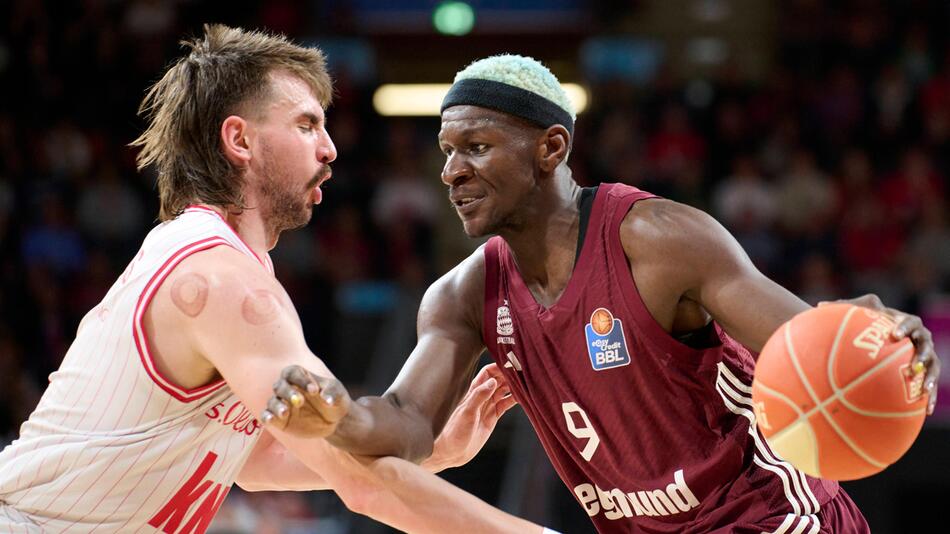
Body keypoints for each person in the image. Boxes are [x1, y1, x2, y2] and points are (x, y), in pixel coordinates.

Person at [269, 54, 941, 533]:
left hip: (770, 515)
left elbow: (804, 340)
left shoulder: (658, 238)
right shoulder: (462, 295)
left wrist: (869, 335)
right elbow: (410, 424)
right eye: (446, 151)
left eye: (475, 145)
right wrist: (341, 419)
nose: (452, 171)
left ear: (550, 148)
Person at [0, 28, 557, 534]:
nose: (330, 148)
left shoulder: (211, 257)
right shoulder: (225, 282)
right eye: (306, 124)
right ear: (239, 140)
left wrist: (433, 449)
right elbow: (368, 488)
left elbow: (260, 459)